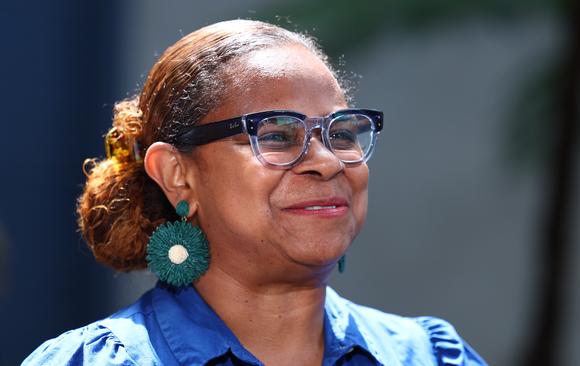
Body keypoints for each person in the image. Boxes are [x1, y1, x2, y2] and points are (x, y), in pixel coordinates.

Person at [23, 20, 487, 366]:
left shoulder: (430, 355)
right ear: (177, 173)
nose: (328, 161)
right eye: (277, 136)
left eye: (342, 133)